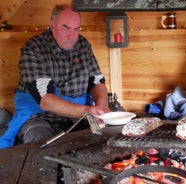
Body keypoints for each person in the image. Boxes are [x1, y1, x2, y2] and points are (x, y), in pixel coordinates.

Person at [0, 4, 110, 149]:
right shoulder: (34, 49)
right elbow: (45, 100)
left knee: (102, 140)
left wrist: (101, 109)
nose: (72, 35)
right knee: (40, 146)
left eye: (76, 29)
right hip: (40, 117)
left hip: (81, 115)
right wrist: (87, 111)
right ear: (51, 25)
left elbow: (97, 82)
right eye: (66, 28)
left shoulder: (83, 45)